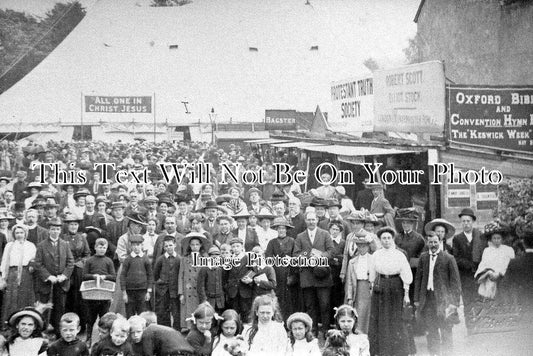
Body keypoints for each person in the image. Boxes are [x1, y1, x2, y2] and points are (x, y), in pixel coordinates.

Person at [414, 231, 461, 356]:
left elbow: (455, 282)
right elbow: (418, 279)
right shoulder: (423, 258)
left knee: (446, 331)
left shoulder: (448, 258)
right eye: (430, 242)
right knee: (431, 330)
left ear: (440, 242)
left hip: (444, 301)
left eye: (435, 242)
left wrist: (454, 303)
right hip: (428, 300)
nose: (433, 245)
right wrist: (417, 299)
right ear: (427, 243)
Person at [368, 227, 414, 356]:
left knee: (396, 318)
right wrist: (372, 287)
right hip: (381, 286)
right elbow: (372, 273)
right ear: (380, 240)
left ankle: (398, 351)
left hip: (396, 286)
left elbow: (406, 274)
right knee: (382, 318)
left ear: (392, 239)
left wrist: (406, 294)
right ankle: (383, 350)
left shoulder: (399, 254)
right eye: (384, 238)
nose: (386, 241)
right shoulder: (376, 254)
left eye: (389, 238)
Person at [293, 211, 334, 337]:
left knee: (324, 305)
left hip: (322, 275)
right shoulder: (300, 236)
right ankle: (312, 331)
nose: (311, 222)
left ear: (317, 220)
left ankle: (326, 331)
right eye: (309, 220)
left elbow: (331, 251)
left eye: (313, 219)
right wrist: (307, 257)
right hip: (307, 275)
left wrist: (319, 256)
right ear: (305, 221)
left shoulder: (325, 234)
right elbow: (296, 254)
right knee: (310, 306)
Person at [34, 217, 74, 336]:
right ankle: (41, 332)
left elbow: (70, 262)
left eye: (57, 229)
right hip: (46, 283)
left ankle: (58, 333)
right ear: (49, 230)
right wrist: (47, 276)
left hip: (61, 283)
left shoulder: (65, 244)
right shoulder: (41, 245)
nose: (55, 231)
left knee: (59, 308)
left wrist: (64, 275)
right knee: (44, 308)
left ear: (60, 230)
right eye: (53, 229)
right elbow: (38, 263)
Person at [452, 208, 486, 331]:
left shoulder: (481, 237)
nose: (466, 224)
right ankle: (470, 328)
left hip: (479, 276)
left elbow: (485, 254)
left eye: (468, 221)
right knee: (468, 303)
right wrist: (470, 265)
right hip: (465, 277)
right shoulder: (457, 239)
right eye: (464, 221)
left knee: (480, 301)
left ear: (473, 222)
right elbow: (456, 258)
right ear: (461, 223)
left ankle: (481, 328)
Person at [82, 238, 116, 347]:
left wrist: (104, 276)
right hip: (91, 295)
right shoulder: (90, 260)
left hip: (105, 295)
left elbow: (113, 277)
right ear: (95, 247)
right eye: (100, 247)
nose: (102, 249)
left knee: (104, 319)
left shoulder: (109, 261)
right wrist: (94, 276)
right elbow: (84, 276)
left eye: (104, 248)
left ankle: (104, 340)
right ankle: (88, 338)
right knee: (90, 318)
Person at [0, 225, 36, 325]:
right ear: (14, 234)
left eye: (21, 233)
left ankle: (25, 322)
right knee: (11, 299)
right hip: (12, 274)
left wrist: (32, 265)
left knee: (24, 298)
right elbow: (4, 261)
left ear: (25, 234)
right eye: (17, 233)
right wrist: (3, 277)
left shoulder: (31, 245)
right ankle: (9, 324)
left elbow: (35, 260)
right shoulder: (9, 245)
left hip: (26, 275)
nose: (19, 235)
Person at [62, 213, 91, 334]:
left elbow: (87, 254)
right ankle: (67, 325)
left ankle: (81, 325)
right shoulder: (63, 237)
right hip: (67, 271)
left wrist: (81, 263)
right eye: (71, 224)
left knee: (79, 297)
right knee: (68, 297)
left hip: (79, 270)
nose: (73, 226)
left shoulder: (82, 237)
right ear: (67, 226)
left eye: (75, 224)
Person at [265, 217, 296, 319]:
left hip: (289, 273)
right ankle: (278, 319)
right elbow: (268, 258)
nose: (281, 230)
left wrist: (290, 259)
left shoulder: (292, 241)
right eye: (279, 228)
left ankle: (289, 321)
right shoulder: (272, 242)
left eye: (283, 228)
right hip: (276, 274)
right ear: (276, 230)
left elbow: (296, 256)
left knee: (289, 299)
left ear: (286, 230)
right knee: (277, 298)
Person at [475, 221, 515, 300]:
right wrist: (488, 273)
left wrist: (500, 273)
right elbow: (483, 264)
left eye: (498, 238)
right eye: (494, 238)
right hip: (489, 279)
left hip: (504, 280)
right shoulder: (487, 250)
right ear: (491, 239)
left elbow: (510, 265)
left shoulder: (508, 250)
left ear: (502, 239)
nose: (496, 240)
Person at [344, 234, 374, 334]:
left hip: (368, 288)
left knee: (368, 312)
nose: (361, 249)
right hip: (357, 289)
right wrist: (349, 297)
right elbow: (349, 282)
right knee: (358, 312)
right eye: (359, 246)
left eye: (364, 246)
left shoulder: (373, 259)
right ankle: (358, 333)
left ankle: (368, 334)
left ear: (368, 247)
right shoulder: (352, 262)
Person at [178, 232, 208, 331]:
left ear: (200, 246)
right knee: (188, 310)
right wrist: (181, 293)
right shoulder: (184, 259)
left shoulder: (205, 259)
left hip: (199, 289)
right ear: (189, 246)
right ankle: (188, 328)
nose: (195, 247)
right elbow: (181, 276)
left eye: (197, 244)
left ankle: (199, 328)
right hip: (188, 290)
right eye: (192, 244)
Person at [121, 234, 153, 318]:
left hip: (142, 291)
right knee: (129, 314)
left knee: (142, 315)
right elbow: (123, 276)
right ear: (131, 246)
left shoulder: (145, 259)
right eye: (134, 245)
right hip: (130, 291)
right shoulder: (128, 259)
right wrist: (124, 293)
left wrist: (148, 291)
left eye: (138, 245)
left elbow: (150, 275)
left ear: (142, 245)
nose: (136, 247)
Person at [153, 235, 181, 329]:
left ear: (175, 245)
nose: (169, 247)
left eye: (170, 245)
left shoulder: (179, 259)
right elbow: (155, 275)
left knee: (176, 313)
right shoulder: (160, 259)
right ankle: (165, 331)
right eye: (166, 246)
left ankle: (177, 332)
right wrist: (161, 283)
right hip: (162, 291)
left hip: (175, 291)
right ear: (164, 247)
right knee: (162, 313)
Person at [223, 238, 253, 321]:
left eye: (237, 246)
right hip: (233, 292)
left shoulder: (248, 258)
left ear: (242, 247)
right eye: (233, 246)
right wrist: (227, 287)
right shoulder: (229, 260)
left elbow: (253, 271)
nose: (235, 248)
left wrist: (249, 279)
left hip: (245, 291)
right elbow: (225, 276)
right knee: (233, 315)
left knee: (246, 314)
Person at [197, 246, 225, 312]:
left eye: (217, 255)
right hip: (209, 300)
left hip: (220, 300)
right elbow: (201, 286)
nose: (215, 257)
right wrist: (204, 299)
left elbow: (224, 283)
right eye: (212, 255)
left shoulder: (222, 269)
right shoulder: (204, 269)